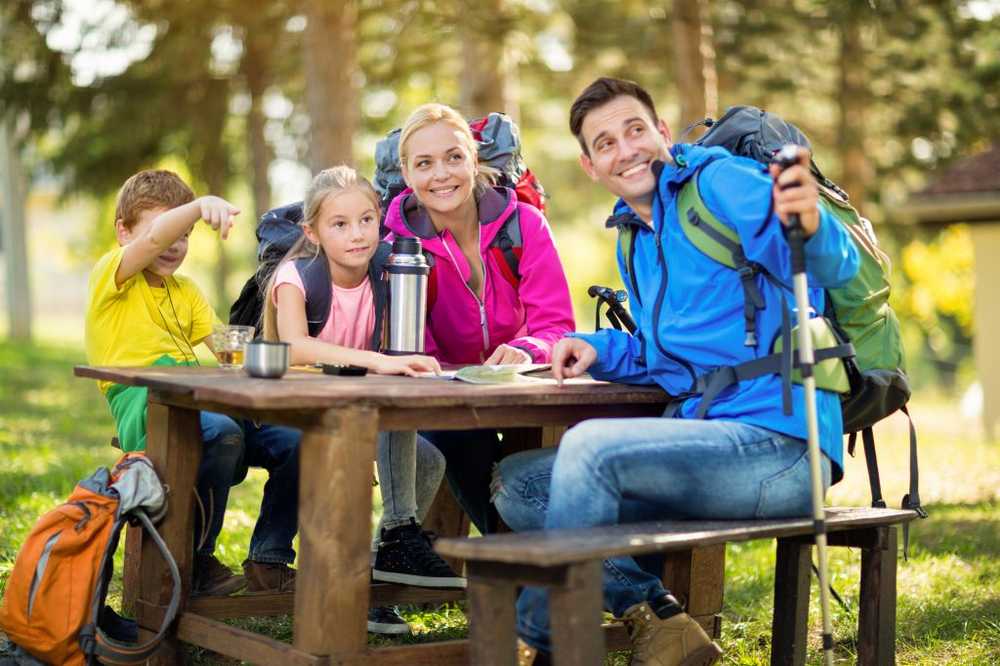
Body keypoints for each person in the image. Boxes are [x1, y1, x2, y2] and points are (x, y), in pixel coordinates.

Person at [492, 78, 861, 665]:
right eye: (606, 142)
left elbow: (831, 263)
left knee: (588, 449)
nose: (626, 149)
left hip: (784, 447)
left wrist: (811, 221)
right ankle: (662, 618)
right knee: (520, 482)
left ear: (662, 133)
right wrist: (596, 348)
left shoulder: (720, 183)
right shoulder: (636, 239)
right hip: (707, 443)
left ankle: (542, 645)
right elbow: (666, 358)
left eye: (635, 129)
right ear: (592, 166)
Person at [262, 165, 465, 635]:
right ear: (312, 232)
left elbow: (401, 342)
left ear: (380, 219)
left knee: (428, 460)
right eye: (339, 224)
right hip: (298, 411)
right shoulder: (297, 276)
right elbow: (293, 346)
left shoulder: (387, 269)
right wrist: (377, 359)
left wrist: (405, 361)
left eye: (366, 220)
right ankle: (384, 550)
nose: (357, 235)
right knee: (381, 444)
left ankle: (376, 573)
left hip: (356, 406)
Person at [84, 170, 301, 597]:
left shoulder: (187, 291)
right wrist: (199, 207)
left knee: (300, 441)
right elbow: (150, 242)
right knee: (221, 431)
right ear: (123, 232)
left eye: (185, 234)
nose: (174, 244)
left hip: (204, 403)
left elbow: (229, 350)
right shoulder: (113, 276)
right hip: (148, 406)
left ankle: (269, 559)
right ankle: (197, 559)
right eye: (167, 231)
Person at [382, 103, 575, 533]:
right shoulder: (395, 244)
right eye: (424, 164)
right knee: (460, 434)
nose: (442, 174)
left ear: (474, 158)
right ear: (407, 173)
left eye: (454, 157)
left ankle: (527, 565)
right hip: (444, 401)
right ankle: (523, 563)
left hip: (523, 389)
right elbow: (405, 346)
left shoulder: (525, 225)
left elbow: (557, 324)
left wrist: (526, 350)